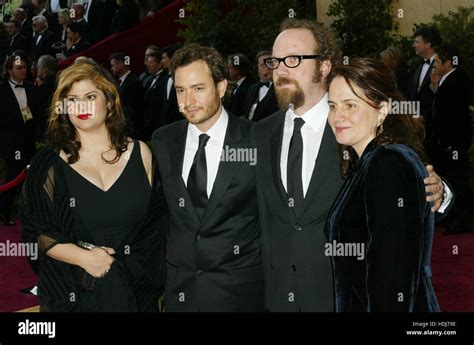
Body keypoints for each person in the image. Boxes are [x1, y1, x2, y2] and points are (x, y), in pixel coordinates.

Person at [251, 18, 449, 312]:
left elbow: (402, 181)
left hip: (344, 300)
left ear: (324, 66)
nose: (279, 69)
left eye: (293, 59)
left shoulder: (356, 131)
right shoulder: (259, 133)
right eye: (275, 60)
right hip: (280, 300)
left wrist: (440, 192)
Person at [20, 60, 167, 312]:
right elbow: (36, 232)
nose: (81, 106)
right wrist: (85, 258)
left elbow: (158, 225)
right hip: (75, 295)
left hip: (137, 290)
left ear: (109, 102)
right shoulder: (49, 163)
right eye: (73, 99)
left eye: (90, 96)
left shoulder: (141, 153)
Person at [151, 43, 264, 312]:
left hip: (240, 293)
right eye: (181, 90)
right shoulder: (163, 140)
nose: (187, 102)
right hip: (181, 291)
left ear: (222, 87)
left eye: (198, 89)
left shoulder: (258, 138)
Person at [326, 58, 440, 312]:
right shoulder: (372, 161)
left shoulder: (387, 164)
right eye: (332, 106)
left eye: (350, 105)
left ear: (383, 110)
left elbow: (394, 278)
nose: (337, 116)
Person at [429, 44, 472, 235]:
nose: (434, 64)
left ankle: (463, 219)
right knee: (451, 179)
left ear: (448, 62)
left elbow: (454, 115)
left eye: (437, 61)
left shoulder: (457, 80)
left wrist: (449, 142)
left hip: (453, 142)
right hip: (446, 142)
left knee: (458, 179)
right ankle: (454, 216)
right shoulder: (448, 79)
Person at [0, 52, 38, 226]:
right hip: (10, 142)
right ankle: (4, 212)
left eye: (25, 67)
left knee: (31, 178)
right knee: (13, 176)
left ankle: (28, 214)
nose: (23, 70)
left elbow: (37, 112)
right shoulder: (1, 89)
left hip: (28, 141)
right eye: (19, 67)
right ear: (9, 70)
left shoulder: (31, 87)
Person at [242, 50, 279, 122]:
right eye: (263, 65)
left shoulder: (280, 89)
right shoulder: (251, 88)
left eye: (270, 63)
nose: (267, 68)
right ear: (257, 68)